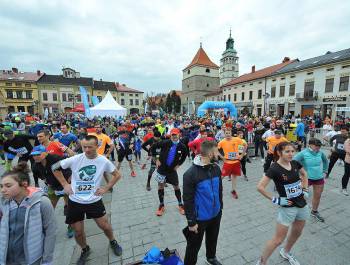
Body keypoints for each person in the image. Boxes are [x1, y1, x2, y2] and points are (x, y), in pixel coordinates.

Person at [52, 135, 123, 265]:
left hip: (94, 201)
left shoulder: (103, 160)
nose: (87, 150)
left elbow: (117, 175)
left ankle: (112, 241)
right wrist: (65, 185)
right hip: (75, 201)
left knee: (104, 225)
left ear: (97, 146)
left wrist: (106, 188)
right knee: (78, 231)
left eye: (90, 147)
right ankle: (85, 249)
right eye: (84, 147)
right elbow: (54, 168)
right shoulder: (76, 159)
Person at [256, 142, 309, 265]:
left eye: (292, 151)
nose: (291, 154)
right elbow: (260, 187)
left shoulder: (295, 163)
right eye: (287, 151)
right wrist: (276, 200)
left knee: (297, 232)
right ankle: (262, 262)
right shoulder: (274, 168)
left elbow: (304, 174)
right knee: (278, 239)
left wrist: (305, 189)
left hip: (302, 204)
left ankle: (286, 252)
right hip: (287, 208)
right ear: (279, 153)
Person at [0, 162, 56, 265]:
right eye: (1, 186)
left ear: (24, 184)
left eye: (8, 186)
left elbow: (50, 231)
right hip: (6, 259)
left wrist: (47, 260)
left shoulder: (42, 202)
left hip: (32, 260)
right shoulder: (3, 203)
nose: (3, 190)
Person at [183, 141, 223, 265]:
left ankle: (211, 258)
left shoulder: (216, 168)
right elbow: (187, 200)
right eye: (217, 151)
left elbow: (219, 189)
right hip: (199, 218)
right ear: (210, 153)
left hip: (216, 213)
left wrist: (220, 206)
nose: (219, 154)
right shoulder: (190, 174)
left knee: (212, 239)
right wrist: (191, 222)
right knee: (193, 247)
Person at [151, 128, 188, 216]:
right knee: (160, 186)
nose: (174, 136)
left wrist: (179, 165)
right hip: (162, 169)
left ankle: (180, 204)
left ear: (179, 135)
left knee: (176, 186)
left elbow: (184, 156)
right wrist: (156, 159)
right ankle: (161, 205)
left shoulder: (182, 146)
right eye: (172, 135)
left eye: (176, 135)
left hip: (172, 171)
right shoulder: (165, 142)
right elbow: (153, 147)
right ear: (170, 135)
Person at [294, 138, 329, 222]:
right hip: (306, 179)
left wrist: (325, 171)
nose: (318, 147)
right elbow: (293, 162)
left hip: (319, 178)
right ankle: (296, 213)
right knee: (300, 196)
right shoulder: (303, 153)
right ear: (310, 144)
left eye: (319, 146)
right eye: (316, 146)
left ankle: (314, 211)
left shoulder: (320, 153)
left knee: (317, 196)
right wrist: (298, 174)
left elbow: (325, 161)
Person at [218, 129, 245, 199]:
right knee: (222, 176)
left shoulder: (237, 139)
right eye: (226, 133)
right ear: (224, 134)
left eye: (229, 133)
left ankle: (233, 190)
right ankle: (216, 188)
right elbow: (216, 149)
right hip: (227, 162)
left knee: (234, 176)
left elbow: (244, 145)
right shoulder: (222, 142)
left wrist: (241, 155)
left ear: (231, 133)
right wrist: (221, 157)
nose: (227, 134)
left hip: (236, 162)